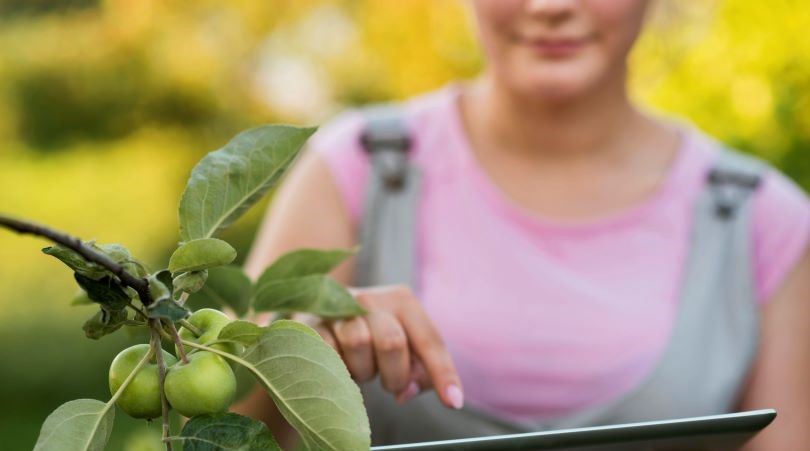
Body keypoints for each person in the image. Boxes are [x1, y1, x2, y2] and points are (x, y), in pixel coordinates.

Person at [234, 1, 810, 449]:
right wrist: (297, 346)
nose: (551, 6)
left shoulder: (765, 219)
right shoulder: (355, 166)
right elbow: (220, 424)